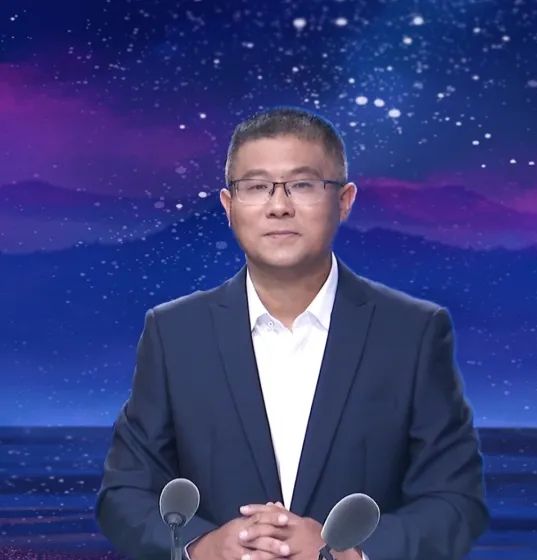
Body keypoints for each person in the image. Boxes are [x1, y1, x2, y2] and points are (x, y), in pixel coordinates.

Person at [95, 106, 489, 560]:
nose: (279, 206)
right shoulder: (174, 332)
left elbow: (456, 503)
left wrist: (348, 553)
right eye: (256, 187)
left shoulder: (413, 332)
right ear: (228, 206)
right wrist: (203, 547)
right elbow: (125, 494)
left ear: (344, 200)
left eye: (302, 185)